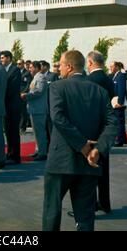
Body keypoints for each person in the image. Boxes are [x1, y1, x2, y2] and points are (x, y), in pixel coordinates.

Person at [42, 51, 118, 232]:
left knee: (52, 211)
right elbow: (112, 123)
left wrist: (82, 145)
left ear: (69, 67)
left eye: (60, 64)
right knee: (85, 217)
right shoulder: (99, 91)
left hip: (61, 162)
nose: (58, 68)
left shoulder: (57, 87)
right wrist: (97, 149)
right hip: (89, 163)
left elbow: (57, 118)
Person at [87, 51, 115, 214]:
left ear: (90, 62)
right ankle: (105, 202)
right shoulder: (108, 79)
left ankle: (90, 205)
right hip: (105, 127)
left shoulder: (89, 80)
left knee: (90, 169)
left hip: (92, 129)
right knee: (103, 169)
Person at [21, 61, 49, 161]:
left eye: (31, 67)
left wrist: (26, 95)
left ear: (37, 68)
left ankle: (42, 152)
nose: (29, 69)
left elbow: (39, 91)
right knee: (37, 132)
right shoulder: (36, 77)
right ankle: (39, 150)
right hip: (35, 109)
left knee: (40, 132)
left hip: (39, 109)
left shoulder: (40, 77)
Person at [1, 51, 22, 165]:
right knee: (8, 131)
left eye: (3, 58)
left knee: (13, 131)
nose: (1, 60)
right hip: (6, 106)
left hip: (12, 106)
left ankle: (15, 156)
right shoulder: (5, 70)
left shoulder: (15, 70)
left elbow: (12, 89)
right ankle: (9, 153)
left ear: (9, 58)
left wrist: (1, 95)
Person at [109, 61, 127, 147]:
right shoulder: (116, 75)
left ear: (116, 67)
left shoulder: (120, 75)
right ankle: (123, 139)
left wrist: (120, 102)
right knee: (120, 120)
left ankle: (119, 140)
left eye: (112, 66)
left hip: (119, 102)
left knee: (119, 121)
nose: (110, 68)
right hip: (116, 101)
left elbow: (121, 89)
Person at [17, 59, 32, 134]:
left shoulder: (27, 73)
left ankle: (22, 128)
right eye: (17, 64)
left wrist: (24, 92)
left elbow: (28, 84)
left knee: (23, 112)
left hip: (23, 95)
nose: (18, 65)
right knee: (18, 111)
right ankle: (18, 126)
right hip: (16, 94)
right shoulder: (16, 72)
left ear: (23, 64)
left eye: (20, 64)